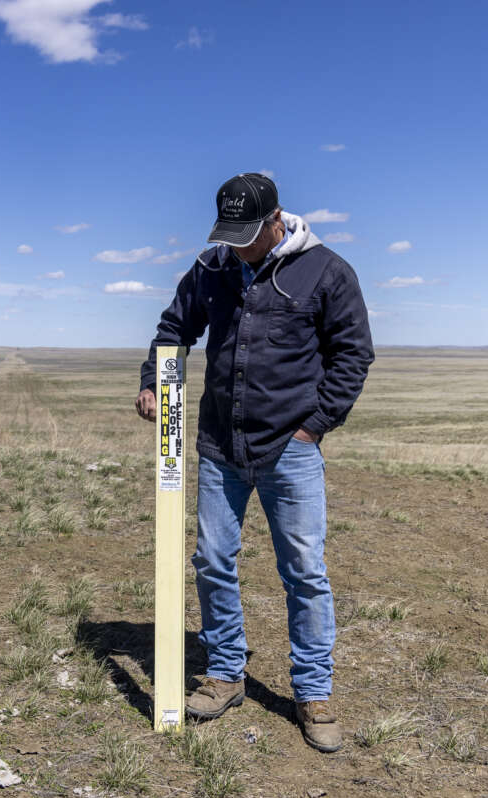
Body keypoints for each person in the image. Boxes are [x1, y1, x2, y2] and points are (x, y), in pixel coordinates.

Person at [135, 172, 373, 752]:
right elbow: (174, 328)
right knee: (213, 559)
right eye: (229, 234)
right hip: (220, 445)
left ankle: (313, 693)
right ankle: (225, 674)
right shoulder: (213, 268)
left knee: (304, 573)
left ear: (275, 221)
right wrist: (152, 381)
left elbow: (353, 353)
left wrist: (313, 428)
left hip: (289, 450)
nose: (237, 246)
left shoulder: (326, 271)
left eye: (247, 234)